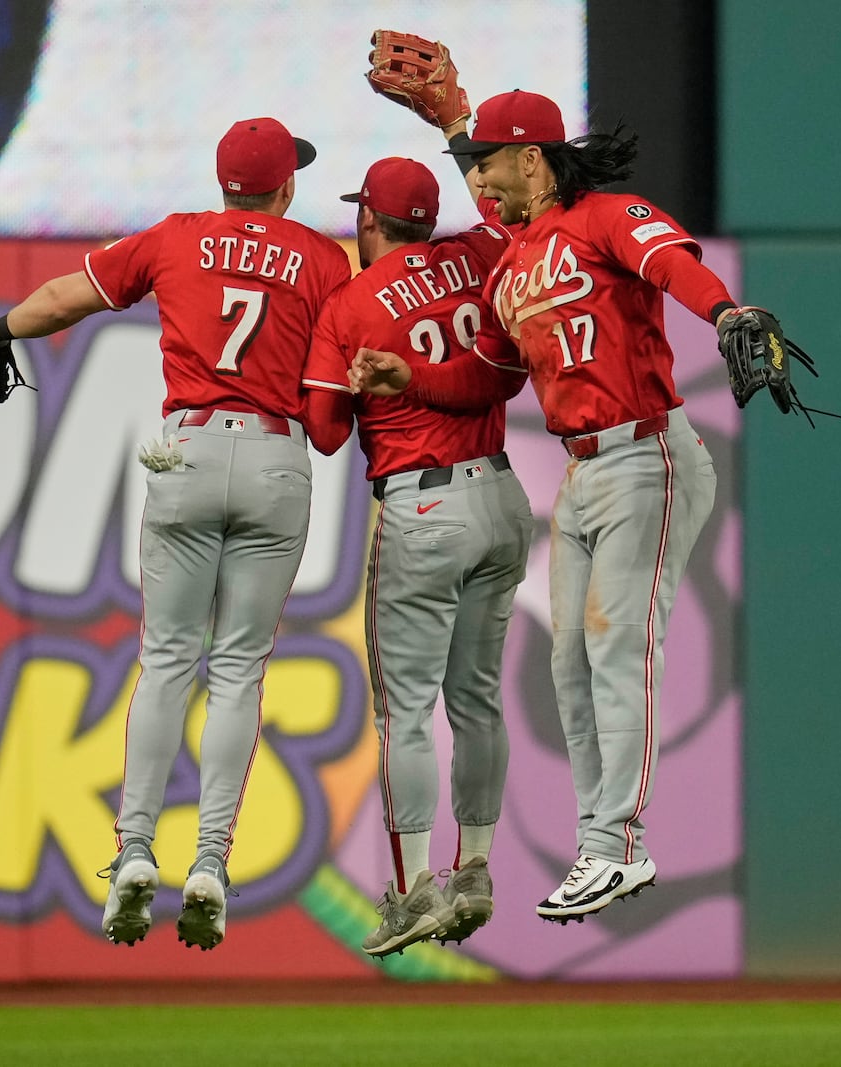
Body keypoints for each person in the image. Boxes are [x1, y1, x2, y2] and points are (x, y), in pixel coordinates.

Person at [0, 117, 352, 950]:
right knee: (240, 666)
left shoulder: (176, 238)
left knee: (169, 657)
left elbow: (64, 299)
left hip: (189, 446)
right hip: (278, 456)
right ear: (286, 188)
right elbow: (346, 368)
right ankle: (211, 858)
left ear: (223, 183)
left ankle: (135, 847)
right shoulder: (320, 258)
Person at [352, 89, 740, 923]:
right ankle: (599, 840)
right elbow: (483, 377)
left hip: (648, 452)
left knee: (618, 645)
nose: (479, 182)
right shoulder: (513, 265)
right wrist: (408, 378)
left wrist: (727, 311)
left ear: (532, 159)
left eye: (487, 162)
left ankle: (616, 845)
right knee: (570, 665)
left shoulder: (604, 216)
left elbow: (674, 262)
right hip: (583, 470)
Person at [301, 157, 531, 955]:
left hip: (423, 505)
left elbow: (327, 433)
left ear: (369, 219)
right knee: (476, 700)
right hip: (501, 495)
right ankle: (475, 870)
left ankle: (412, 891)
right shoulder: (481, 250)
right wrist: (460, 135)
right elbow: (518, 217)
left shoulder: (351, 303)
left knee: (406, 711)